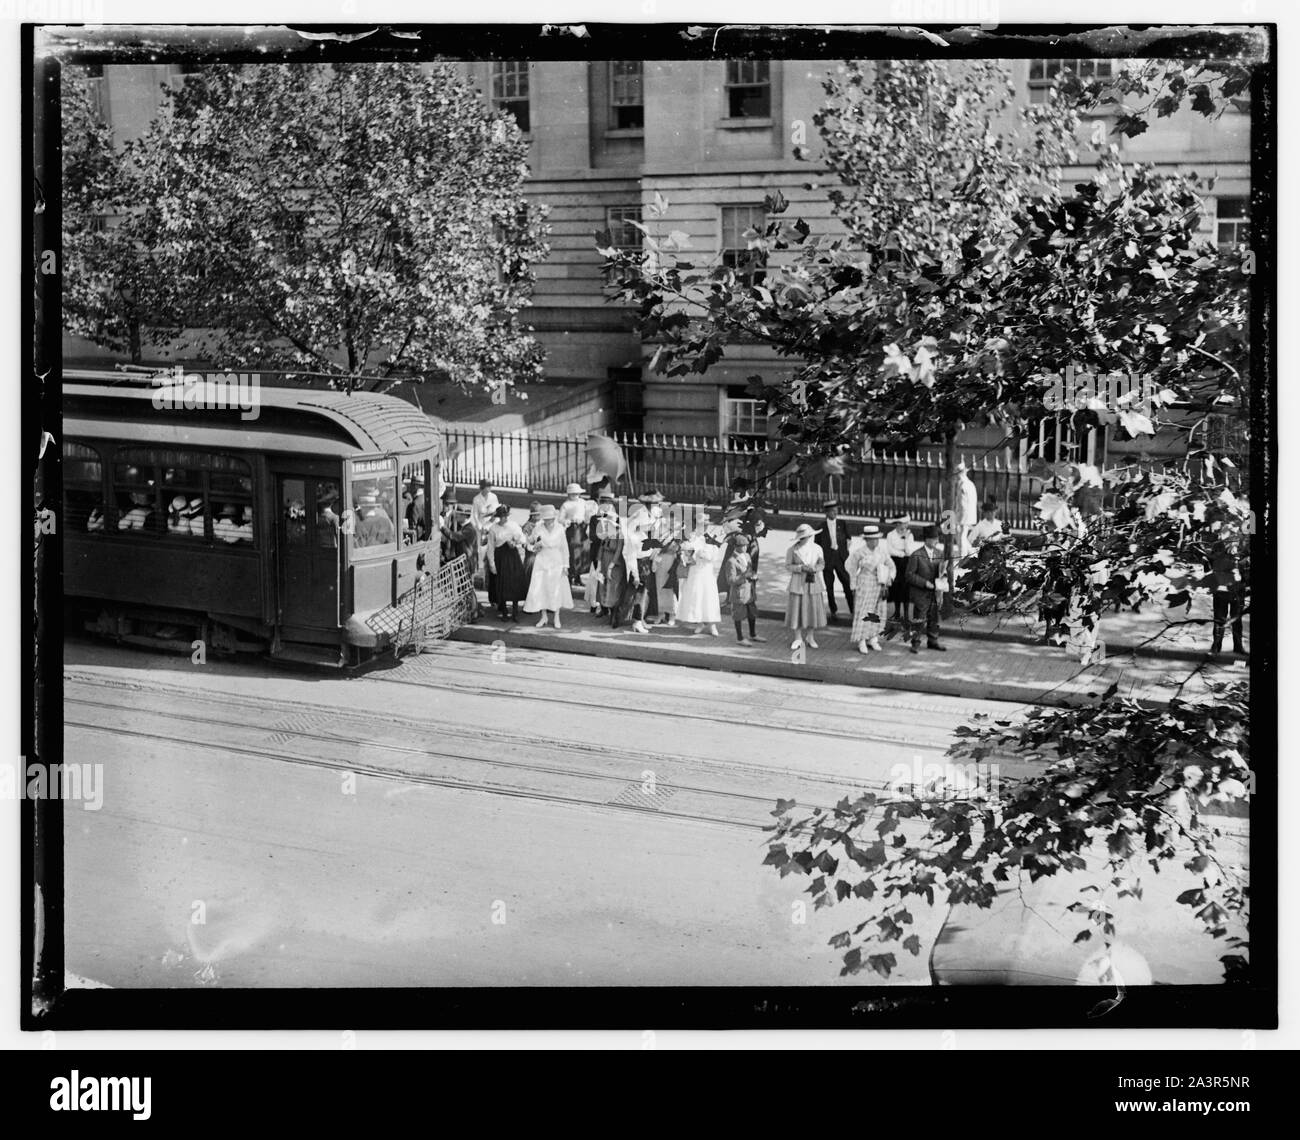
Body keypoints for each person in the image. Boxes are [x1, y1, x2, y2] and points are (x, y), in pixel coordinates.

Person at [846, 523, 895, 655]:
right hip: (864, 584)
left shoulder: (882, 552)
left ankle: (873, 638)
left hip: (879, 584)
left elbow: (891, 566)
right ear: (867, 540)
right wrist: (853, 585)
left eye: (877, 539)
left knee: (877, 611)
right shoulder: (859, 553)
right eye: (872, 539)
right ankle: (861, 640)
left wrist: (887, 578)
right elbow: (851, 568)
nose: (875, 541)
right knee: (864, 611)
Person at [523, 504, 572, 628]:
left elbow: (564, 548)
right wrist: (533, 548)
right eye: (546, 519)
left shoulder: (560, 528)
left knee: (555, 590)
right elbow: (529, 543)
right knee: (541, 588)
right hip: (542, 560)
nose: (549, 521)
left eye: (551, 518)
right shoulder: (538, 528)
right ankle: (543, 616)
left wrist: (565, 565)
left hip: (556, 561)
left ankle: (556, 617)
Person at [677, 513, 725, 636]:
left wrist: (707, 556)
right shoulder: (691, 538)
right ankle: (700, 622)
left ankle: (712, 624)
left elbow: (715, 555)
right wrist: (693, 554)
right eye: (701, 525)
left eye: (705, 525)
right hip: (695, 570)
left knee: (708, 596)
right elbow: (685, 557)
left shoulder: (710, 538)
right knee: (696, 596)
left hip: (707, 571)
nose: (703, 527)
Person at [906, 524, 948, 654]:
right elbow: (909, 575)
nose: (937, 541)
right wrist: (924, 583)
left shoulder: (939, 553)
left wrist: (944, 575)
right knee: (919, 618)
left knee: (934, 618)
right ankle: (915, 642)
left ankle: (933, 641)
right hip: (921, 593)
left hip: (935, 592)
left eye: (937, 538)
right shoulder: (916, 555)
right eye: (934, 539)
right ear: (927, 539)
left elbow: (942, 571)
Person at [785, 523, 828, 650]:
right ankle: (798, 637)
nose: (808, 539)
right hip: (798, 583)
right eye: (805, 537)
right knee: (797, 609)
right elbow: (788, 566)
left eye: (809, 536)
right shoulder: (792, 550)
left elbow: (822, 563)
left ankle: (810, 636)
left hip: (813, 582)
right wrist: (800, 568)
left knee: (812, 609)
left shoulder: (817, 549)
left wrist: (815, 568)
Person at [1205, 535, 1247, 658]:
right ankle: (1216, 647)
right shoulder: (1217, 551)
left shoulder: (1241, 553)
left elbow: (1245, 572)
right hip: (1221, 592)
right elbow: (1209, 568)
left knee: (1236, 621)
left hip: (1237, 592)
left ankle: (1238, 647)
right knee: (1219, 621)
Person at [485, 504, 528, 622]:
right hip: (500, 557)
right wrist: (492, 563)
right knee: (501, 583)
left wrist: (515, 541)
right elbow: (490, 547)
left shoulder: (513, 526)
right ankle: (504, 611)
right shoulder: (494, 528)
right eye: (502, 516)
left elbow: (522, 539)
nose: (504, 518)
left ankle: (515, 612)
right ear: (498, 517)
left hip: (512, 556)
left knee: (514, 583)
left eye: (506, 516)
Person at [815, 499, 854, 622]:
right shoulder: (821, 527)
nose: (835, 513)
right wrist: (821, 559)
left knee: (847, 584)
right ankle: (833, 610)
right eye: (832, 511)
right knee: (829, 586)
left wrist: (845, 551)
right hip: (828, 559)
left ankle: (853, 610)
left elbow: (849, 538)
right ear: (826, 513)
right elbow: (817, 545)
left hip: (841, 558)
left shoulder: (842, 524)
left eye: (836, 510)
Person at [726, 529, 761, 645]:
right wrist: (744, 576)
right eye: (743, 546)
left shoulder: (747, 556)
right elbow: (731, 580)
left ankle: (753, 634)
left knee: (752, 613)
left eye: (746, 545)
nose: (745, 548)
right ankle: (739, 638)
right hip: (739, 593)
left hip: (749, 591)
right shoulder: (731, 561)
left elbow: (750, 570)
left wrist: (753, 576)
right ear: (736, 546)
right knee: (738, 615)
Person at [884, 514, 916, 636]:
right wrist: (901, 553)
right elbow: (890, 550)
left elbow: (909, 551)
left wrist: (906, 539)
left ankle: (907, 614)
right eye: (903, 524)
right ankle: (897, 612)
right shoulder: (890, 535)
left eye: (906, 524)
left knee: (906, 588)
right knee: (896, 587)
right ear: (897, 524)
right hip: (895, 563)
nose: (905, 526)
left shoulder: (910, 535)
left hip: (906, 564)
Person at [559, 483, 589, 585]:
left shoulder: (583, 502)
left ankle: (578, 575)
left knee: (582, 551)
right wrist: (569, 520)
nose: (575, 496)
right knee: (572, 551)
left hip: (582, 528)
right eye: (573, 494)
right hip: (572, 529)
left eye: (577, 494)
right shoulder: (566, 505)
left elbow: (587, 514)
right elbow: (560, 519)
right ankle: (571, 575)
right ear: (569, 494)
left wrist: (585, 519)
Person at [954, 458, 980, 559]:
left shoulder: (963, 484)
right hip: (967, 514)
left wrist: (958, 517)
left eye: (957, 473)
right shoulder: (969, 483)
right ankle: (971, 553)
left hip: (964, 515)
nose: (956, 475)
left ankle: (963, 556)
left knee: (961, 536)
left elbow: (963, 503)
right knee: (961, 536)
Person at [404, 474, 430, 543]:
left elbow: (413, 525)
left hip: (418, 538)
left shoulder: (416, 503)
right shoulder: (427, 499)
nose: (410, 487)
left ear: (416, 486)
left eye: (412, 485)